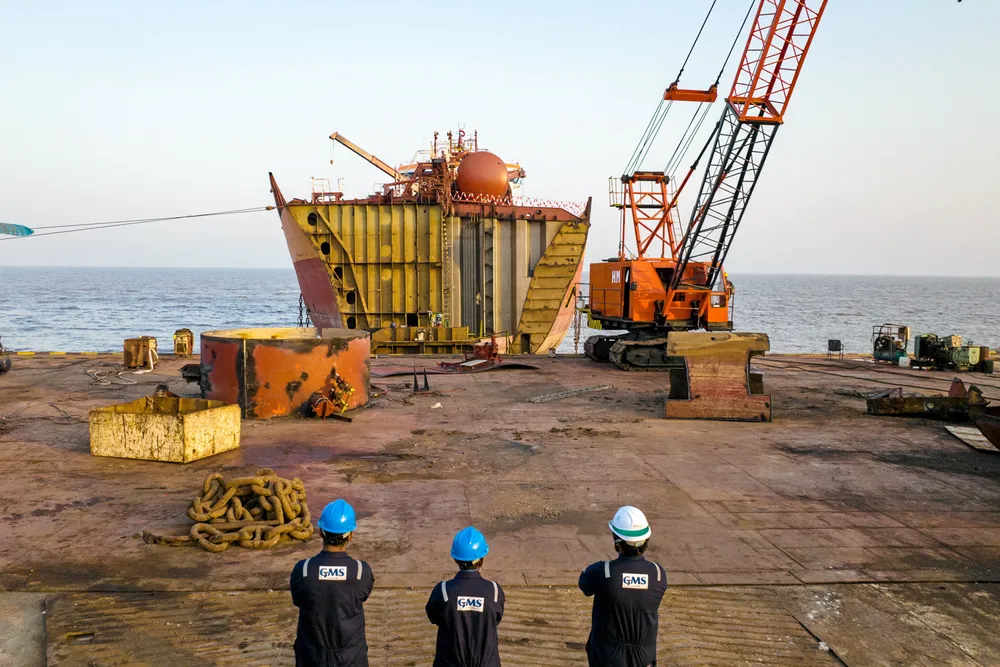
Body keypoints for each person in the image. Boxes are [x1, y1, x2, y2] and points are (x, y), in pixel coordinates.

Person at [578, 506, 668, 667]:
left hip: (608, 656)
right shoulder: (658, 574)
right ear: (646, 540)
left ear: (616, 540)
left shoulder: (603, 571)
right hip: (644, 657)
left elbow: (585, 586)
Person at [290, 499, 375, 667]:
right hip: (351, 658)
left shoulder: (303, 570)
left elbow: (298, 600)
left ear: (320, 533)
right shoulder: (360, 572)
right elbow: (363, 595)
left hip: (312, 657)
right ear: (350, 536)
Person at [425, 526, 505, 667]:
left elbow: (434, 617)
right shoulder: (494, 591)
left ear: (455, 559)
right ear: (481, 559)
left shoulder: (443, 591)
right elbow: (496, 619)